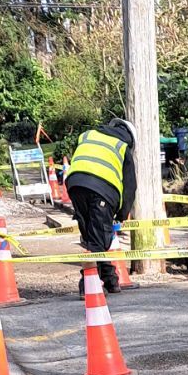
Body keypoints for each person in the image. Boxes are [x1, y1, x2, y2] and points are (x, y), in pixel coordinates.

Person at [64, 118, 135, 293]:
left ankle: (110, 279)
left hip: (75, 185)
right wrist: (122, 214)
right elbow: (129, 187)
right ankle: (87, 285)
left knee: (93, 236)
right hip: (101, 189)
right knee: (98, 237)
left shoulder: (87, 135)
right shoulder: (122, 146)